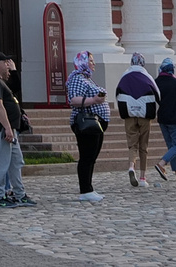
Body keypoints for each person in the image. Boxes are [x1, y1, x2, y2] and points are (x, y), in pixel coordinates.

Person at [0, 52, 35, 208]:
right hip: (1, 130)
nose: (8, 66)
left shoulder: (0, 82)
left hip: (10, 129)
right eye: (6, 63)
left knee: (15, 162)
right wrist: (7, 128)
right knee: (2, 163)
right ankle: (0, 196)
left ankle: (20, 194)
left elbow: (14, 92)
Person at [65, 51, 109, 202]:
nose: (93, 63)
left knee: (92, 157)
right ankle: (85, 190)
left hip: (96, 124)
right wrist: (94, 100)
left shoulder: (87, 78)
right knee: (87, 157)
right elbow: (74, 100)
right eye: (90, 60)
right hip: (86, 124)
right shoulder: (77, 78)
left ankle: (89, 188)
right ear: (82, 62)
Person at [115, 53, 159, 187]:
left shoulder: (125, 76)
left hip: (129, 114)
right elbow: (158, 94)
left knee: (132, 144)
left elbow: (117, 93)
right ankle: (142, 177)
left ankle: (131, 166)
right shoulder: (147, 76)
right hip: (145, 114)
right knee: (143, 146)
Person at [154, 58, 176, 183]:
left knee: (171, 146)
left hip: (163, 117)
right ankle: (161, 163)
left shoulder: (156, 82)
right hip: (175, 117)